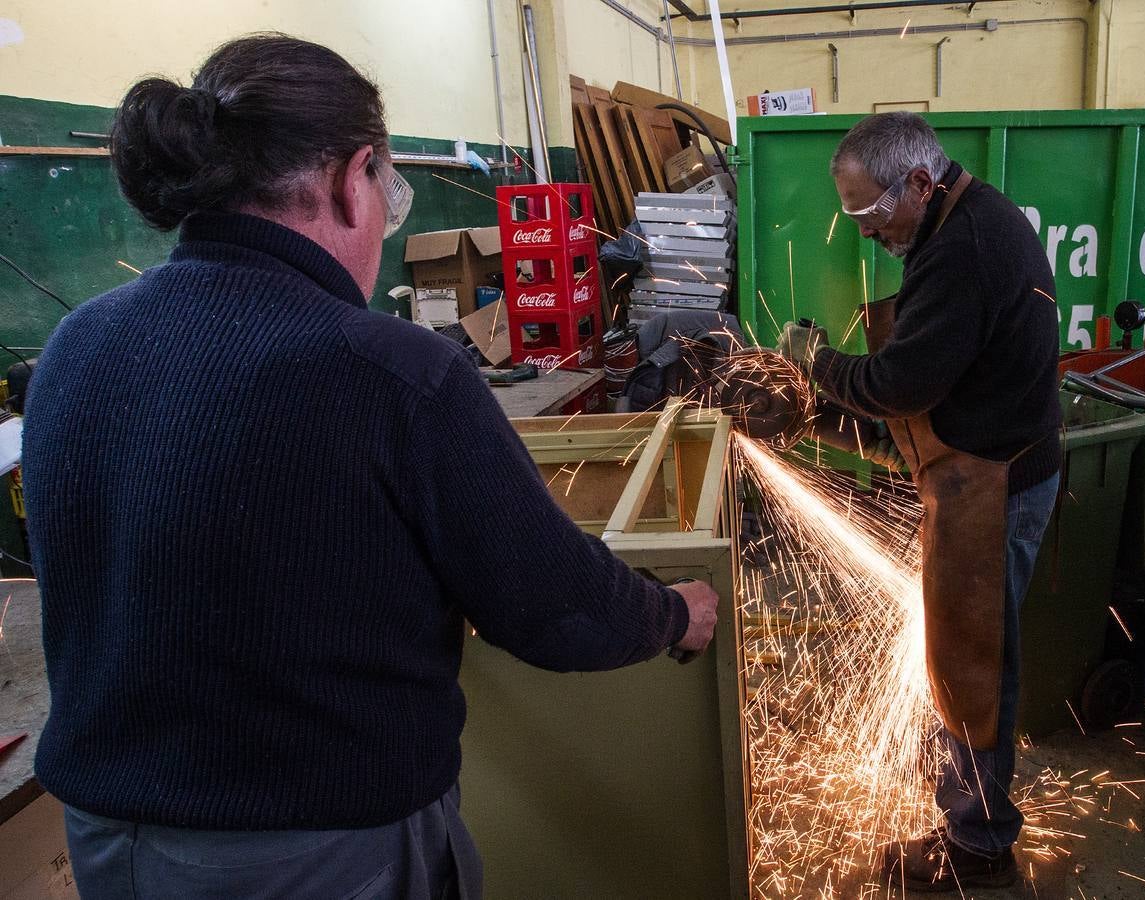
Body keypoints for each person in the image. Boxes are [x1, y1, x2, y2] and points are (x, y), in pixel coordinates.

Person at [22, 34, 719, 899]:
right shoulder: (390, 370)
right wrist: (673, 614)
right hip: (312, 853)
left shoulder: (74, 345)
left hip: (105, 841)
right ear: (354, 179)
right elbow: (555, 609)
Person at [778, 112, 1062, 892]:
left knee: (971, 667)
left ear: (916, 182)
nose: (864, 232)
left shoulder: (963, 248)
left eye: (869, 212)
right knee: (964, 659)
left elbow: (899, 385)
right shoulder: (958, 217)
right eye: (851, 216)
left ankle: (976, 845)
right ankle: (967, 796)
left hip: (992, 484)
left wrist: (814, 365)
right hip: (982, 462)